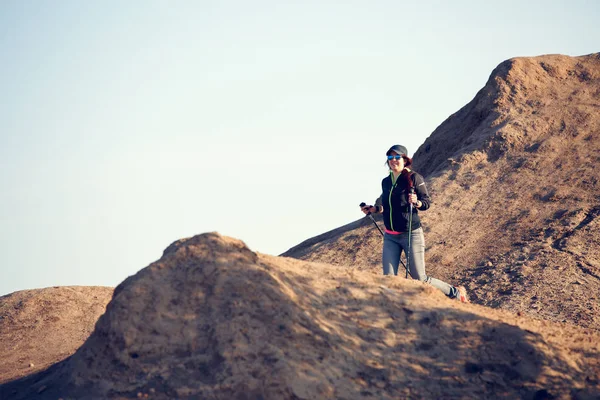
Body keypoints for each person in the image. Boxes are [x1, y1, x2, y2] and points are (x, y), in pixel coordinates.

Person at [361, 144, 468, 303]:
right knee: (388, 278)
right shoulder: (386, 182)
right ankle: (395, 306)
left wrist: (417, 202)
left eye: (397, 157)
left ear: (405, 159)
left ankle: (456, 293)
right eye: (390, 158)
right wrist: (374, 209)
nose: (393, 160)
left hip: (411, 234)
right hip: (390, 236)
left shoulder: (414, 178)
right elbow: (390, 207)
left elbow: (426, 202)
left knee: (419, 277)